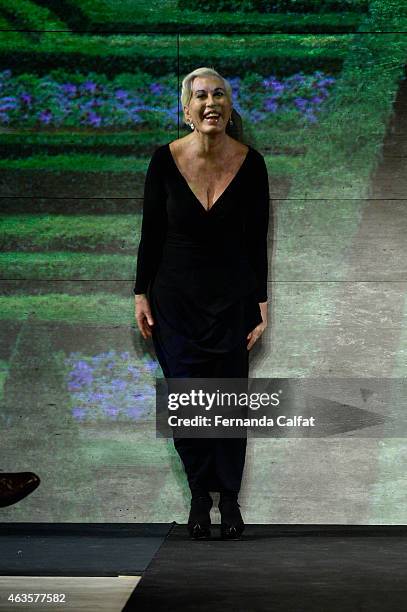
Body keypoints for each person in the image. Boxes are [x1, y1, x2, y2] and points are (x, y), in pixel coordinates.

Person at [134, 67, 270, 540]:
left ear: (229, 107)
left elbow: (257, 240)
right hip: (173, 302)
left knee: (229, 405)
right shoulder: (163, 160)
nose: (210, 102)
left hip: (232, 300)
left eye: (219, 94)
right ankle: (198, 499)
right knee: (189, 405)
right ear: (186, 110)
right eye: (200, 96)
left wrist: (262, 301)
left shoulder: (252, 164)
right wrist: (139, 293)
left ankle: (229, 502)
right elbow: (150, 234)